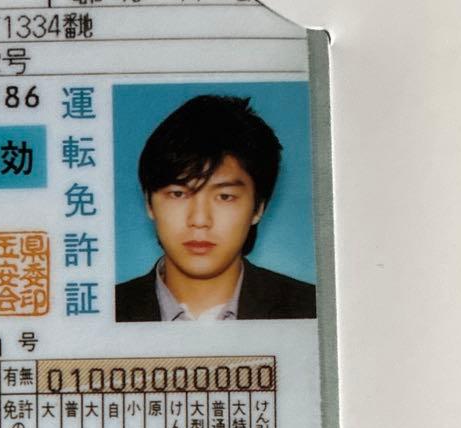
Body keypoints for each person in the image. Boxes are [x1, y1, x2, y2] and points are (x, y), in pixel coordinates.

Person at [115, 94, 316, 322]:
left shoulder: (313, 310)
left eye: (225, 196)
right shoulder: (106, 311)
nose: (200, 219)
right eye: (178, 194)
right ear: (149, 203)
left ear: (258, 208)